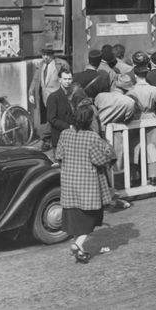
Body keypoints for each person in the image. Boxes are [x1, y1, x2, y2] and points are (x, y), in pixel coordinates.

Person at [56, 102, 116, 263]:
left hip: (69, 182)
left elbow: (59, 155)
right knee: (89, 221)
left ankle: (80, 250)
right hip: (87, 185)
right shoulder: (92, 137)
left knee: (75, 219)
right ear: (89, 120)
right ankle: (77, 244)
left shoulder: (64, 134)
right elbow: (99, 160)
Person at [127, 65, 156, 186]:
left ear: (135, 75)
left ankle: (134, 176)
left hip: (136, 118)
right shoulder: (154, 90)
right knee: (152, 146)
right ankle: (153, 176)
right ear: (146, 75)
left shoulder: (130, 91)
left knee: (134, 146)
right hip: (151, 117)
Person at [29, 44, 70, 133]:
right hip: (44, 96)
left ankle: (51, 136)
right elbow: (35, 79)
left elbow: (68, 77)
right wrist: (31, 93)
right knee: (47, 117)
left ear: (52, 55)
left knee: (56, 117)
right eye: (43, 55)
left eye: (48, 55)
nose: (45, 57)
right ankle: (47, 137)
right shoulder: (40, 65)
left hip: (56, 95)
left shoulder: (61, 63)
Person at [46, 67, 76, 151]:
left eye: (69, 79)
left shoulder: (75, 95)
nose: (67, 81)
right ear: (60, 80)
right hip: (60, 138)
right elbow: (52, 119)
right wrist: (69, 127)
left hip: (74, 139)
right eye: (65, 79)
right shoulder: (53, 97)